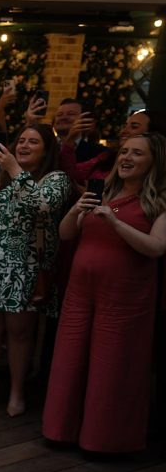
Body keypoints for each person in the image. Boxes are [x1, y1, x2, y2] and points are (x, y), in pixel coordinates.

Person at [44, 133, 166, 453]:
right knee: (68, 360)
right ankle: (59, 431)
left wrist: (114, 222)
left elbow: (156, 248)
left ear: (154, 161)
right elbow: (66, 234)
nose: (126, 157)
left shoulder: (158, 202)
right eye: (124, 151)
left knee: (110, 367)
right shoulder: (103, 192)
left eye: (137, 153)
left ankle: (103, 441)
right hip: (81, 290)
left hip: (124, 297)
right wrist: (75, 211)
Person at [0, 124, 71, 416]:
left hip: (24, 268)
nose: (23, 145)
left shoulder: (56, 179)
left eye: (32, 142)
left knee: (19, 334)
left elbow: (43, 207)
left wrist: (13, 169)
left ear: (47, 149)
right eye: (21, 140)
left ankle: (16, 392)